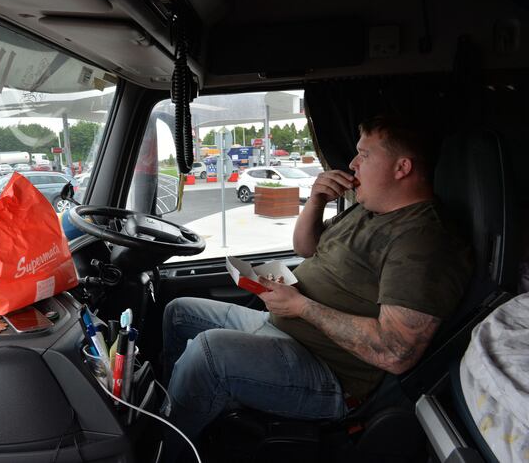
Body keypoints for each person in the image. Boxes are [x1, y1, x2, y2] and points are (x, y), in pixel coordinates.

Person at [161, 115, 472, 461]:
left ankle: (168, 450)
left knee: (209, 352)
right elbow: (305, 248)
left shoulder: (424, 240)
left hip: (329, 375)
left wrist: (302, 308)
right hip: (282, 331)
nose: (352, 164)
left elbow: (395, 351)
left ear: (402, 167)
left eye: (364, 155)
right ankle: (181, 409)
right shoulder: (369, 210)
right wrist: (316, 200)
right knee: (180, 313)